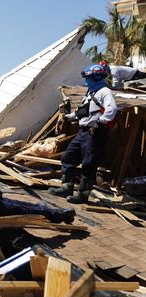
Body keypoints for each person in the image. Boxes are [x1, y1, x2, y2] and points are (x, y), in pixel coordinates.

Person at [48, 63, 118, 203]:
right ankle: (66, 187)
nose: (86, 81)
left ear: (96, 77)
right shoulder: (90, 92)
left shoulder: (105, 92)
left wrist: (99, 123)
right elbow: (82, 112)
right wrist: (67, 117)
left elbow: (112, 110)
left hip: (95, 133)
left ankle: (82, 196)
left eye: (88, 78)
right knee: (68, 157)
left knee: (89, 164)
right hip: (83, 132)